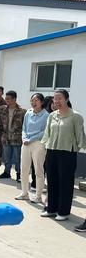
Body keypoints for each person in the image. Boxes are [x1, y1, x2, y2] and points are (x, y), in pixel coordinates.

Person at [40, 90, 86, 221]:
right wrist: (44, 145)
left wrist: (83, 146)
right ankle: (51, 209)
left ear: (66, 99)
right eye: (55, 99)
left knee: (65, 183)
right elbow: (47, 133)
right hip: (52, 151)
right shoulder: (52, 116)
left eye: (59, 98)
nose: (56, 101)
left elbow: (80, 135)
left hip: (67, 153)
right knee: (52, 181)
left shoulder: (75, 116)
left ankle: (64, 211)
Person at [15, 93, 48, 203]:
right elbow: (24, 127)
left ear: (42, 102)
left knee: (38, 170)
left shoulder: (46, 115)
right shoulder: (28, 113)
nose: (33, 102)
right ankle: (24, 193)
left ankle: (38, 196)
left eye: (36, 100)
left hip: (38, 144)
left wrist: (31, 139)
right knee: (24, 169)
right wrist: (24, 138)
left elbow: (44, 131)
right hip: (25, 143)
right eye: (32, 100)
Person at [0, 91, 26, 182]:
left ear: (14, 99)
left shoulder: (22, 111)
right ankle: (7, 172)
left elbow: (24, 125)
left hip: (17, 138)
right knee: (6, 156)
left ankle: (19, 174)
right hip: (6, 137)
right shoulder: (2, 109)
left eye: (8, 99)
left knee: (17, 157)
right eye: (6, 99)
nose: (6, 101)